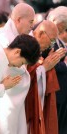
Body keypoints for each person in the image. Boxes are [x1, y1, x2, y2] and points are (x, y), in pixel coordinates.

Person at [0, 3, 35, 134]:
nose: (32, 26)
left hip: (4, 96)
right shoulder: (2, 38)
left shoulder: (15, 38)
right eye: (30, 21)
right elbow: (6, 72)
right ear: (18, 20)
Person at [25, 20, 66, 134]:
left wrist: (47, 64)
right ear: (41, 33)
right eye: (52, 40)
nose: (51, 45)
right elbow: (23, 76)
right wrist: (45, 67)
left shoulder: (37, 47)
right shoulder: (26, 44)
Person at [44, 6, 67, 134]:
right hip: (54, 91)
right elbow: (49, 62)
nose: (64, 30)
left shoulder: (58, 40)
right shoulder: (48, 38)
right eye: (63, 26)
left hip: (61, 91)